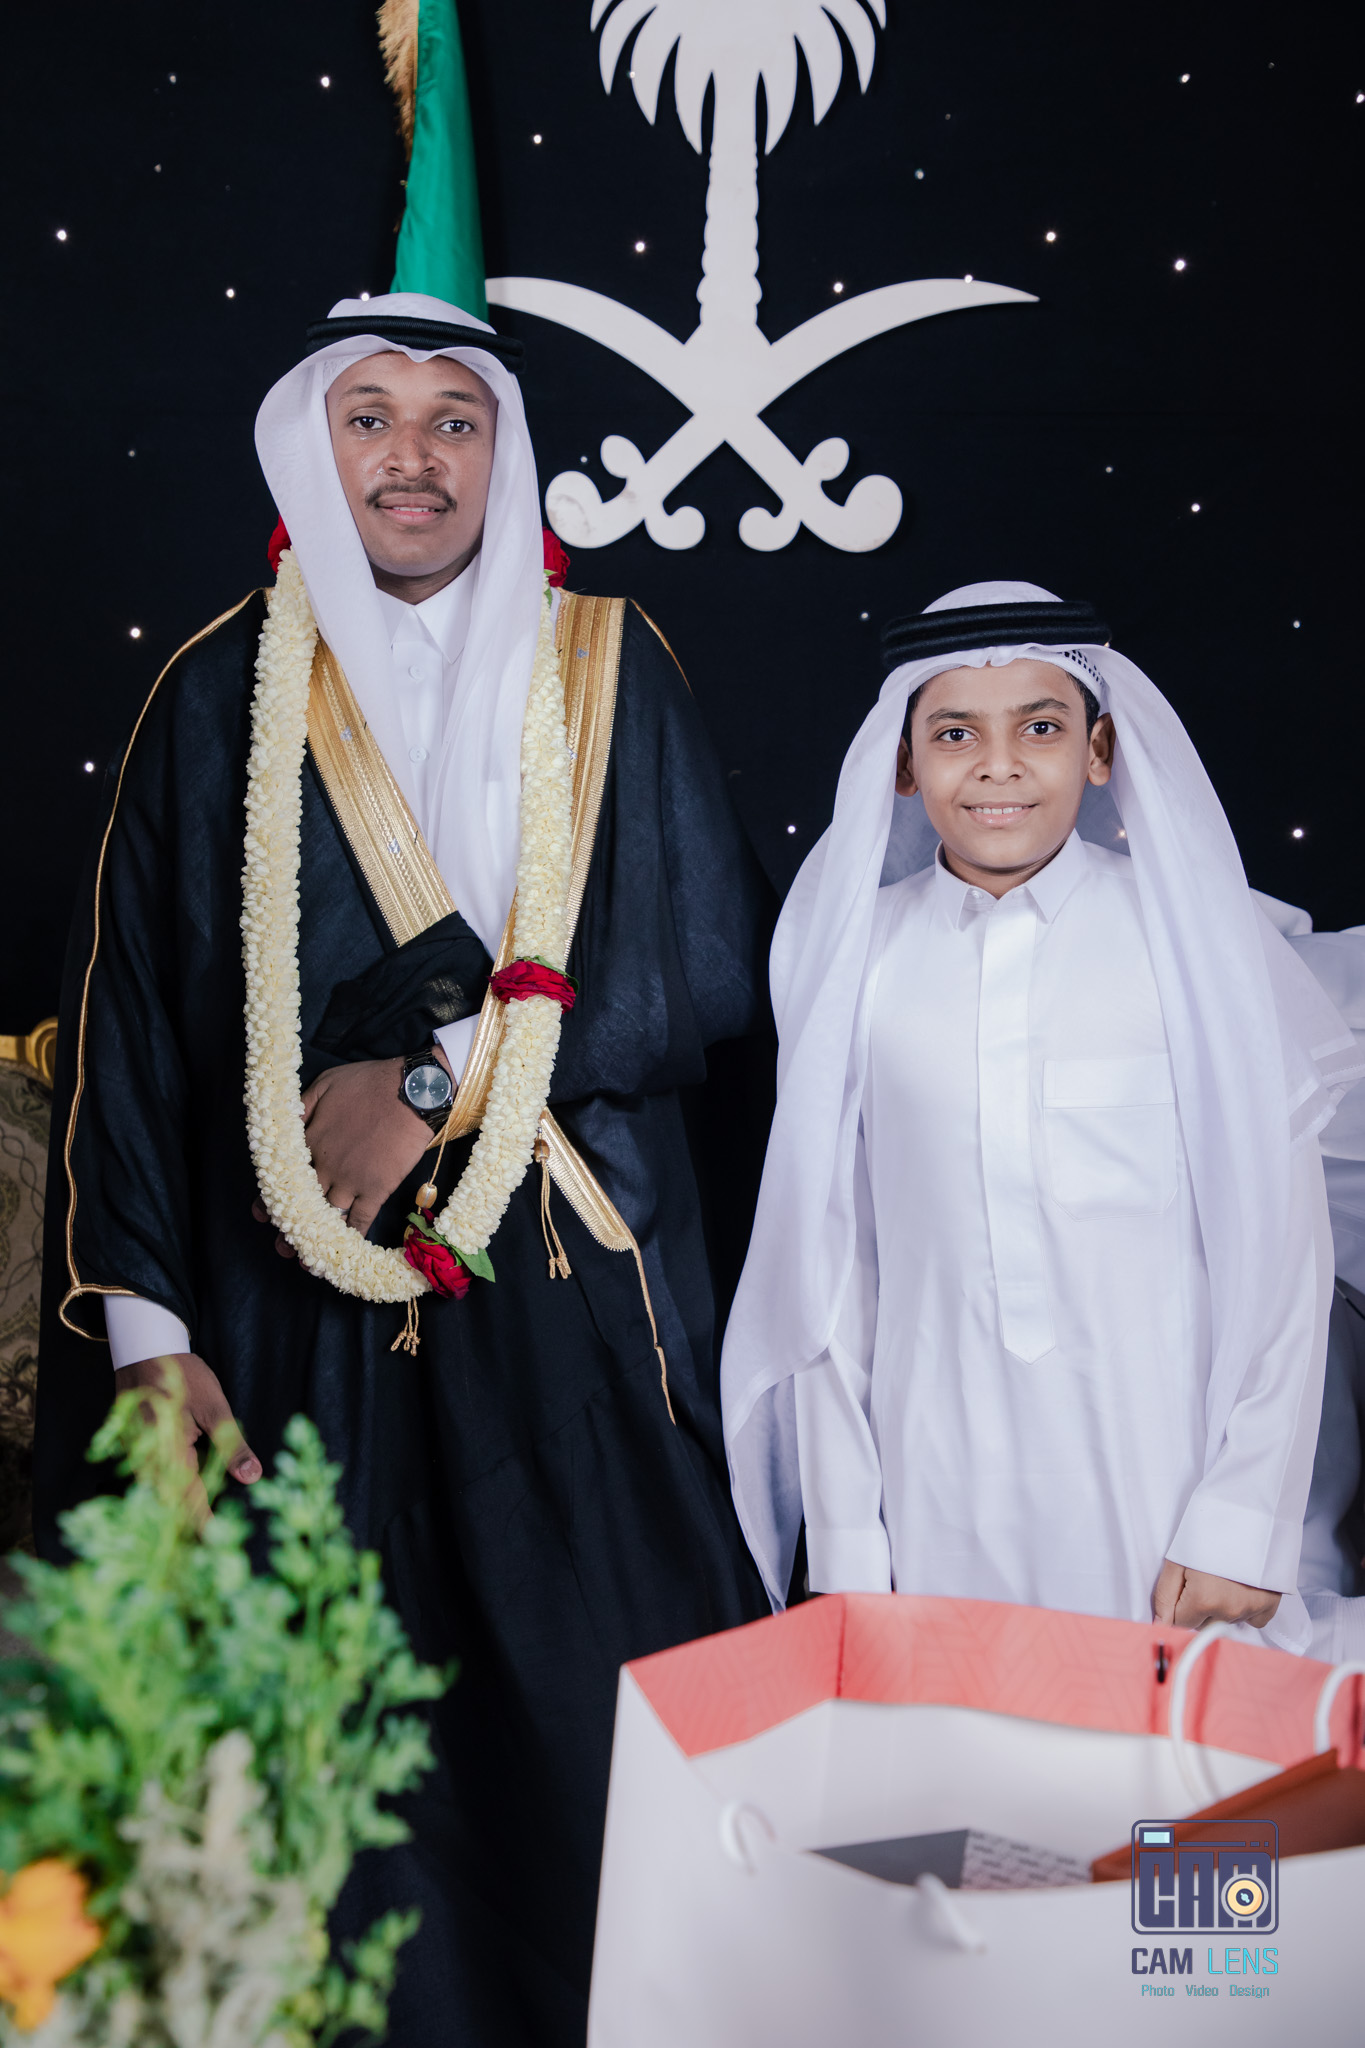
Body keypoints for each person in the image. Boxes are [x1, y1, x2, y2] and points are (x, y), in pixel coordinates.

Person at [36, 292, 772, 2048]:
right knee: (325, 1780)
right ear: (313, 443)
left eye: (456, 419)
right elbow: (137, 1022)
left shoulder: (607, 662)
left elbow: (694, 973)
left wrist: (437, 1079)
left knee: (612, 1752)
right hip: (287, 1305)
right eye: (370, 416)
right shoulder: (214, 690)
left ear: (505, 450)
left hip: (575, 1299)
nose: (413, 457)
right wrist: (149, 1340)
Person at [721, 581, 1363, 1655]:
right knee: (972, 1752)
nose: (998, 765)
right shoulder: (852, 957)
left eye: (1041, 727)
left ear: (1099, 750)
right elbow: (832, 1272)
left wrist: (1242, 1517)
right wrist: (845, 1541)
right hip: (936, 1481)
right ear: (902, 763)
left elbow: (1282, 1249)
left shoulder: (1199, 943)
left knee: (1182, 1757)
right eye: (955, 733)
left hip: (1163, 1480)